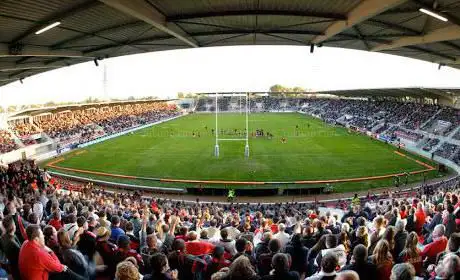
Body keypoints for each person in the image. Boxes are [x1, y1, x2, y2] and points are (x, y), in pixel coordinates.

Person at [0, 215, 21, 280]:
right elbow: (20, 255)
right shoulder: (12, 242)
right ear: (13, 226)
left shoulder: (2, 237)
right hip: (16, 267)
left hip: (11, 265)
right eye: (14, 223)